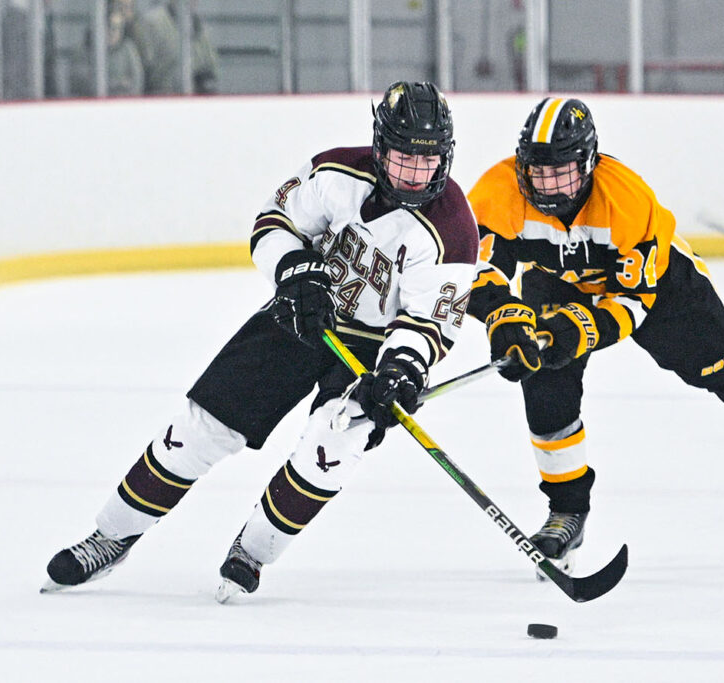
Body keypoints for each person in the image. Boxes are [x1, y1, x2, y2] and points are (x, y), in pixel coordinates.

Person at [42, 81, 478, 602]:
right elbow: (274, 223)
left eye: (426, 161)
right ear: (380, 147)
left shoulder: (452, 230)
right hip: (301, 315)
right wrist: (296, 273)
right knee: (198, 429)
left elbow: (430, 319)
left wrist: (401, 371)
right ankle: (110, 537)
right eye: (403, 157)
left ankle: (252, 551)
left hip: (373, 348)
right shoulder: (335, 171)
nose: (413, 173)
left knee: (331, 446)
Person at [465, 97, 724, 573]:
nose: (548, 185)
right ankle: (566, 511)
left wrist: (581, 329)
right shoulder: (498, 190)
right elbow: (471, 268)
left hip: (660, 287)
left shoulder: (627, 200)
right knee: (545, 386)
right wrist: (503, 318)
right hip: (553, 282)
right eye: (538, 172)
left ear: (589, 162)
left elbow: (633, 303)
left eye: (562, 172)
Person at [136, 0, 218, 95]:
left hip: (194, 102)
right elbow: (142, 70)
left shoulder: (201, 29)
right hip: (160, 100)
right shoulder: (152, 23)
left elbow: (211, 68)